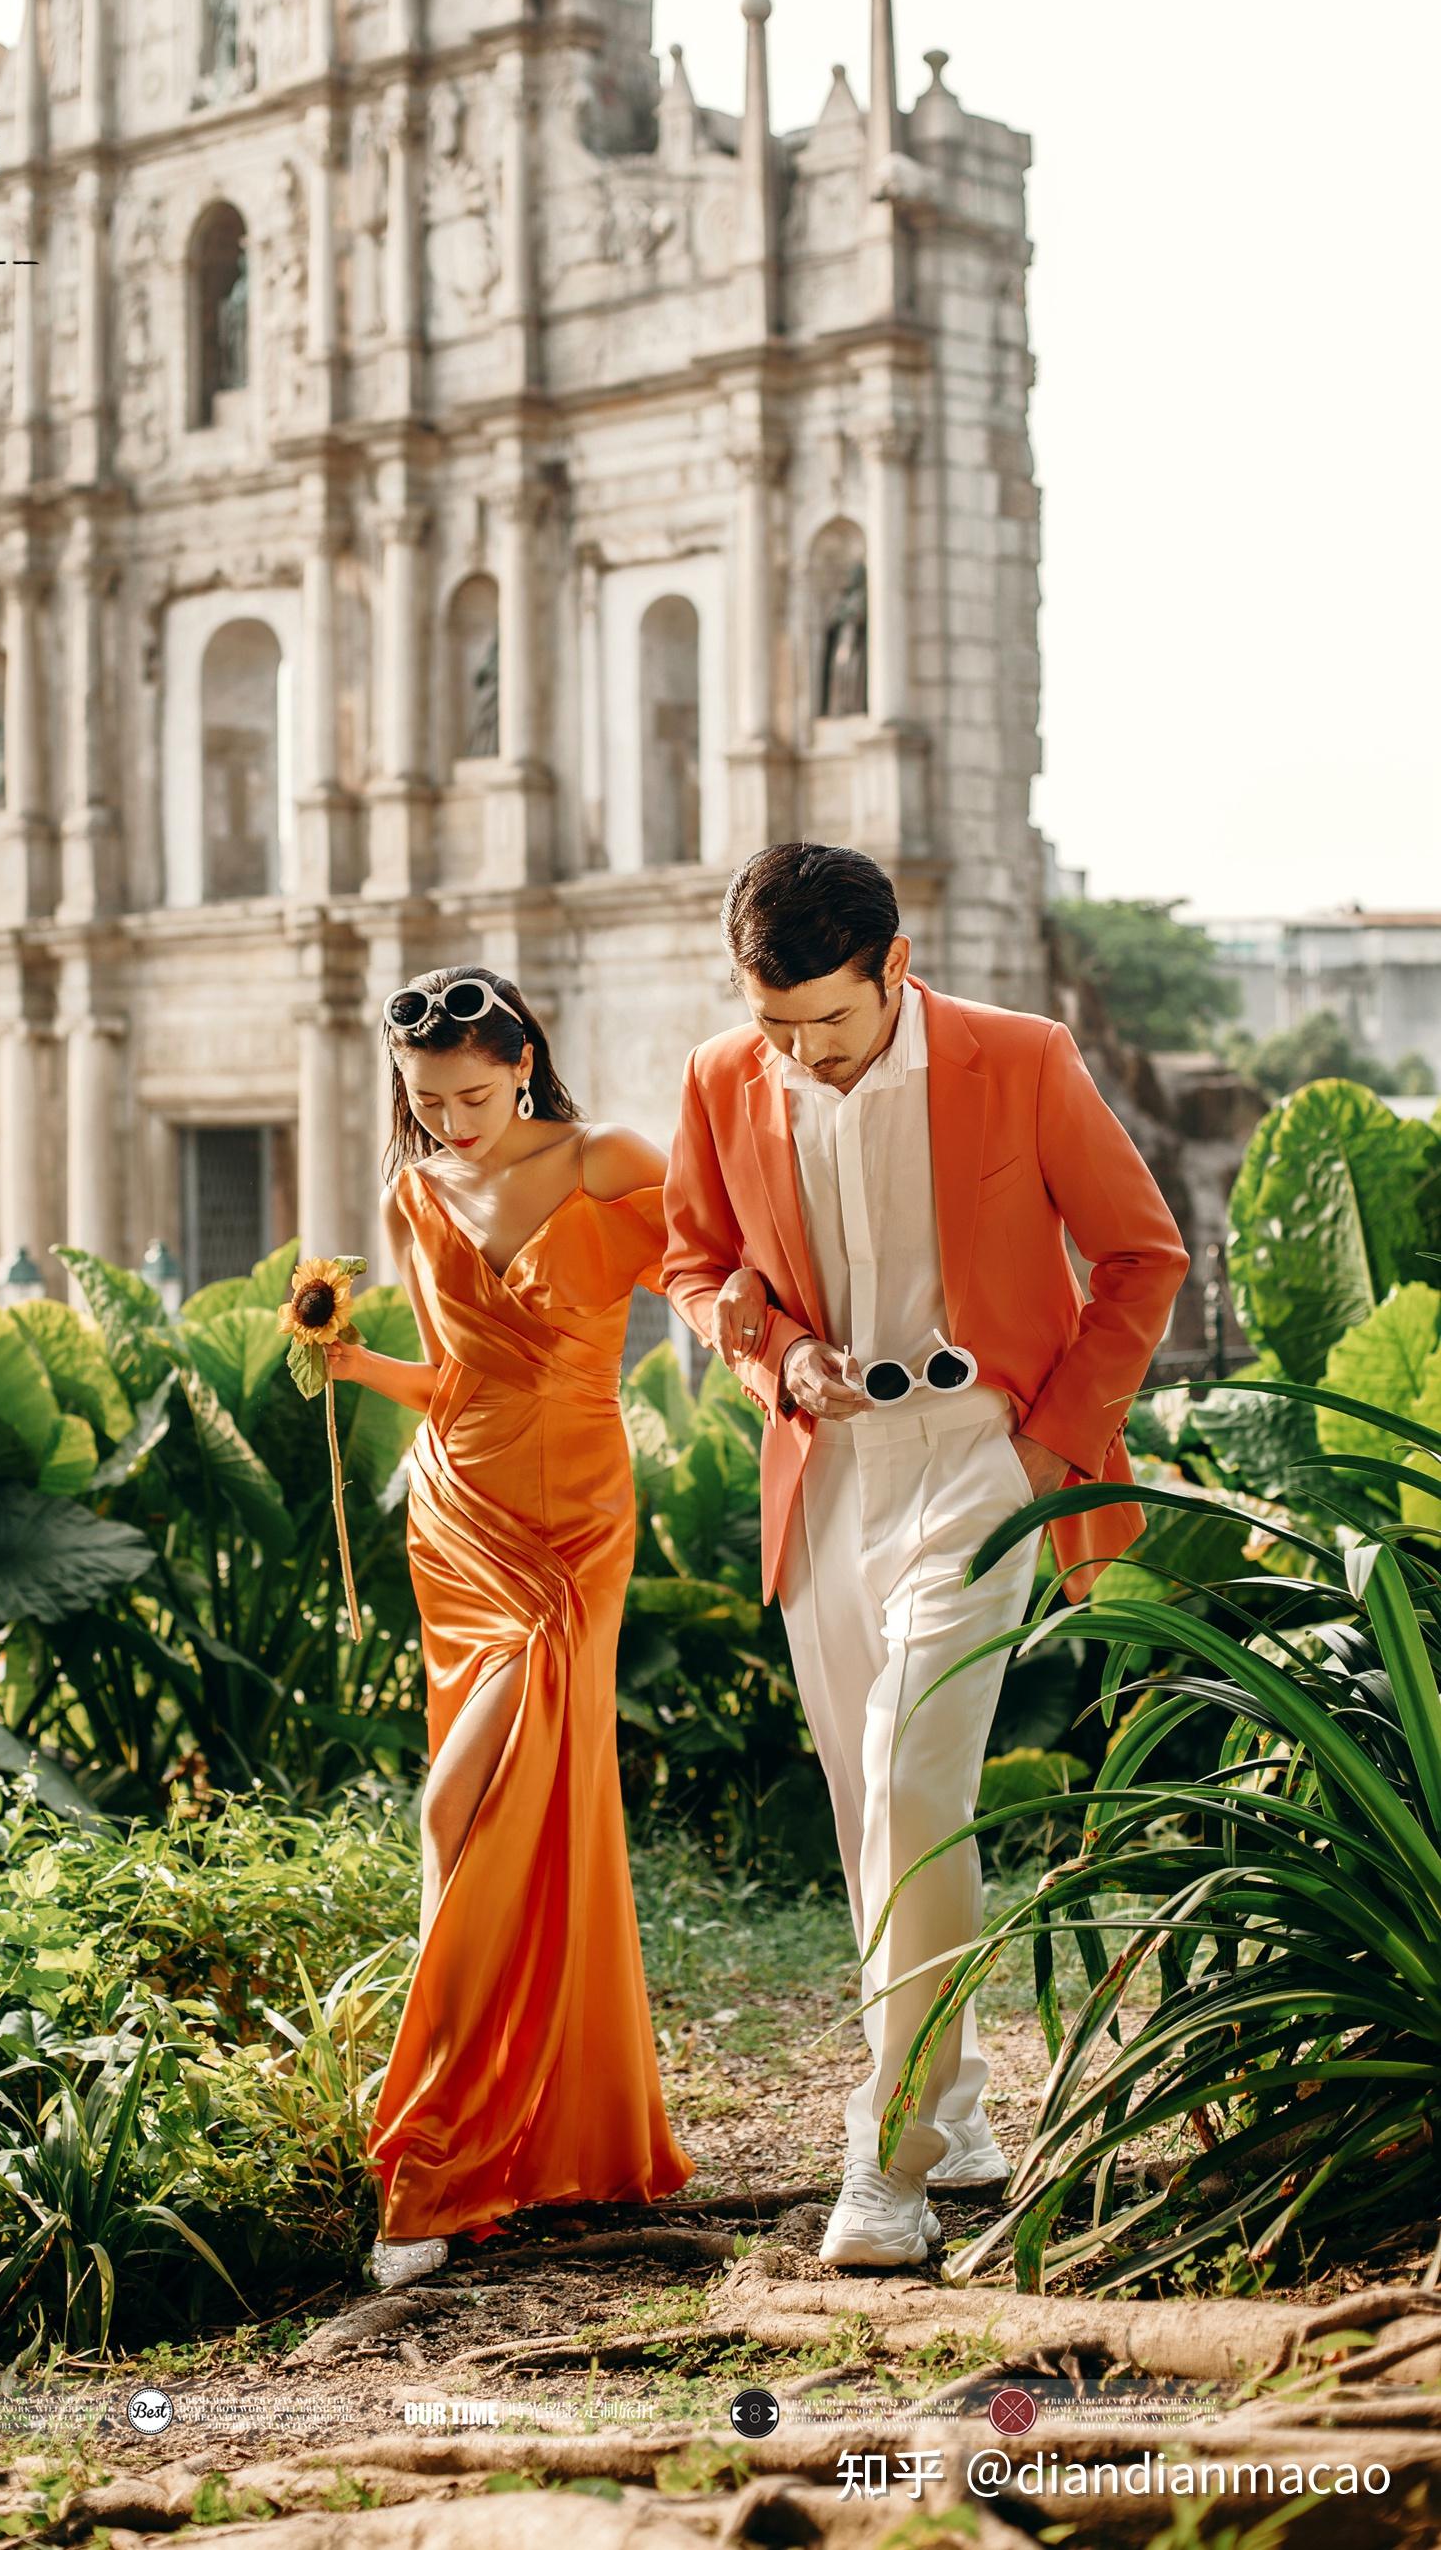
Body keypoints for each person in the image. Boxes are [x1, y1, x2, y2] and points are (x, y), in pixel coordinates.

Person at [661, 844, 1188, 2270]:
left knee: (913, 1780)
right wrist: (772, 1352)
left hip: (983, 1457)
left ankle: (884, 2163)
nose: (798, 1053)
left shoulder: (1021, 1059)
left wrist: (1040, 1449)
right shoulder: (723, 1078)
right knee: (868, 1810)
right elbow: (693, 1264)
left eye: (826, 1021)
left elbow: (1143, 1256)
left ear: (895, 968)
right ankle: (955, 2108)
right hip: (828, 1470)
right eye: (773, 1024)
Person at [326, 965, 695, 2287]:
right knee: (500, 1816)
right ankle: (506, 2139)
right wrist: (354, 1364)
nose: (452, 1124)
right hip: (457, 1518)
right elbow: (451, 1377)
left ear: (525, 1061)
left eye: (474, 1096)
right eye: (427, 1103)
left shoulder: (607, 1161)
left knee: (455, 1810)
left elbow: (716, 1281)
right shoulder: (414, 1189)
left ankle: (436, 2154)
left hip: (575, 1526)